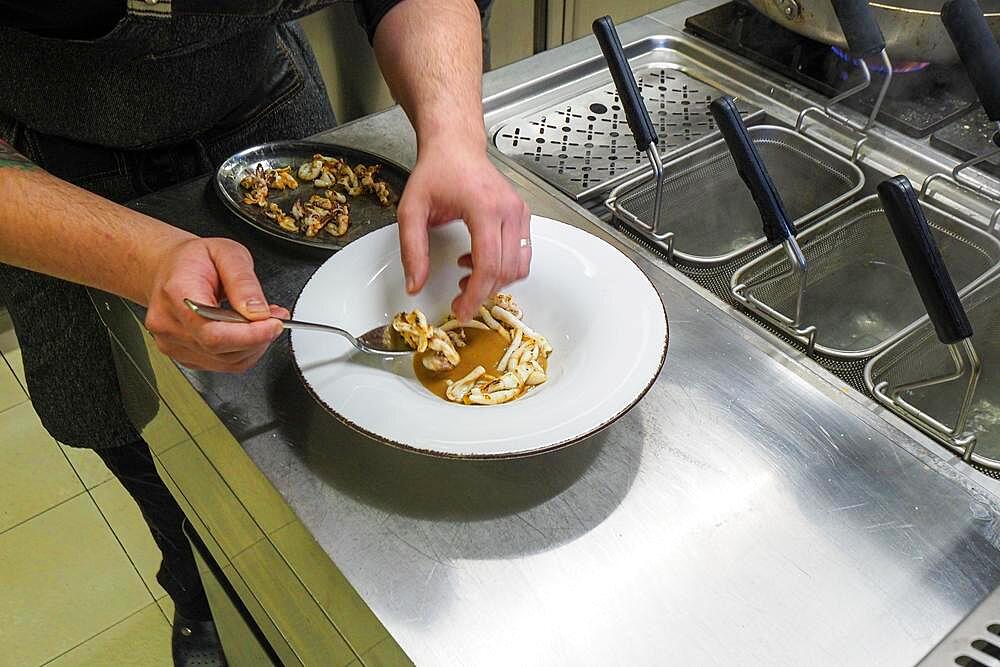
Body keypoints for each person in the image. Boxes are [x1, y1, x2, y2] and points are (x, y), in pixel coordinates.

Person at [0, 1, 529, 665]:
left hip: (268, 124)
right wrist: (139, 256)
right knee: (152, 448)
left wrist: (454, 136)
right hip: (51, 179)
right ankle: (200, 599)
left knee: (327, 448)